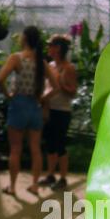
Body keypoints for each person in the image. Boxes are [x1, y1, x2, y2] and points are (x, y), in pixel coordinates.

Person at [0, 26, 57, 196]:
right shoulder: (42, 62)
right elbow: (56, 87)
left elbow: (0, 79)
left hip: (19, 105)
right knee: (35, 149)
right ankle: (35, 185)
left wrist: (8, 95)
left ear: (25, 38)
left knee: (15, 149)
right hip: (35, 107)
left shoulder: (16, 58)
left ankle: (13, 187)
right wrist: (42, 98)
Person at [39, 34, 77, 190]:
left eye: (50, 45)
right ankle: (50, 175)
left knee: (60, 145)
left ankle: (63, 178)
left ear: (58, 48)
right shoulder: (51, 66)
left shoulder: (69, 68)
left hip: (62, 111)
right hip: (49, 109)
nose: (48, 48)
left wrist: (61, 85)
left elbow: (73, 91)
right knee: (50, 145)